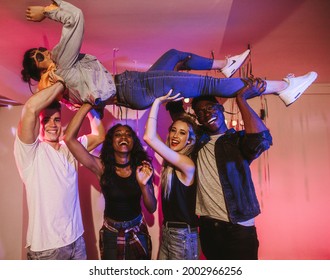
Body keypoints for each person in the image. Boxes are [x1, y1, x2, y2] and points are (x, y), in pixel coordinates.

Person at [22, 1, 317, 114]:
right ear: (42, 70)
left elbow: (93, 102)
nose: (44, 52)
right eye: (39, 57)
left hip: (131, 87)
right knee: (203, 87)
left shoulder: (63, 86)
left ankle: (226, 66)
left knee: (175, 55)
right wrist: (48, 11)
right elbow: (76, 16)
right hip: (132, 87)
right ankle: (283, 88)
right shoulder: (62, 64)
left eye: (39, 49)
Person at [13, 76, 106, 260]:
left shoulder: (70, 147)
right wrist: (64, 82)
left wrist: (87, 108)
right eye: (46, 120)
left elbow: (99, 135)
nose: (52, 125)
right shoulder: (31, 152)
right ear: (38, 123)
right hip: (47, 248)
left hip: (76, 240)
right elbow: (30, 109)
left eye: (56, 120)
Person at [190, 78, 273, 260]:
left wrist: (241, 99)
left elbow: (262, 140)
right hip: (208, 226)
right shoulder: (197, 140)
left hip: (239, 226)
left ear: (221, 108)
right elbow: (176, 112)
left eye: (210, 108)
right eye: (200, 113)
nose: (205, 114)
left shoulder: (236, 140)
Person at [63, 103, 157, 260]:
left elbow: (152, 207)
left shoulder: (142, 168)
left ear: (133, 141)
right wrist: (87, 105)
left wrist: (143, 186)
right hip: (111, 233)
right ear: (111, 142)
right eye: (118, 134)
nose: (123, 137)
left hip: (137, 230)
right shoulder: (102, 167)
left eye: (128, 135)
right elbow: (69, 139)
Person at [143, 90, 199, 260]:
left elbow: (149, 137)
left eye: (182, 133)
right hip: (168, 232)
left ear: (189, 140)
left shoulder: (187, 164)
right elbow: (149, 131)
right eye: (173, 130)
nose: (175, 136)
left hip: (182, 237)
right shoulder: (171, 162)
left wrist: (158, 102)